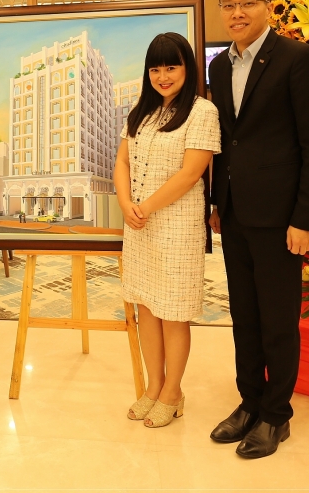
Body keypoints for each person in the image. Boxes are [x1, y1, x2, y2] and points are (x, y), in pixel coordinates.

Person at [207, 0, 309, 458]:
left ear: (269, 5)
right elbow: (227, 140)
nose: (237, 13)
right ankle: (250, 402)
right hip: (236, 212)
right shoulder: (219, 68)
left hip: (282, 218)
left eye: (248, 3)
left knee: (278, 320)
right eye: (229, 5)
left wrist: (305, 219)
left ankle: (276, 415)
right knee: (244, 316)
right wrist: (217, 203)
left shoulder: (298, 59)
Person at [114, 32, 221, 428]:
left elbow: (191, 173)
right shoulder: (140, 111)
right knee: (146, 307)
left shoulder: (202, 111)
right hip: (139, 225)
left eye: (171, 67)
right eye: (155, 69)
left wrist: (143, 206)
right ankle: (153, 387)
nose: (162, 76)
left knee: (173, 312)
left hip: (178, 225)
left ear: (187, 68)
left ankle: (173, 392)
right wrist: (125, 203)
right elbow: (122, 162)